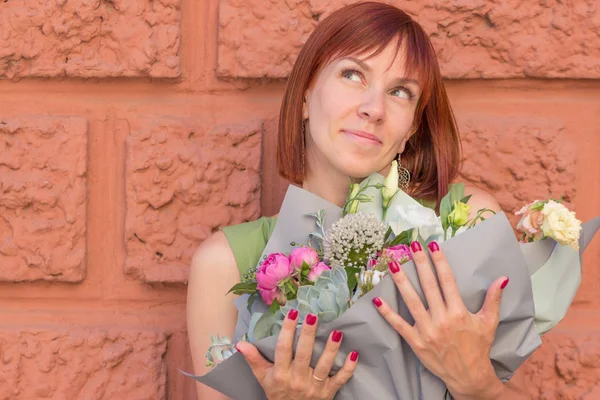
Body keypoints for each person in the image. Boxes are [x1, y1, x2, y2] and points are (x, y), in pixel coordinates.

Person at [187, 2, 530, 399]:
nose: (374, 109)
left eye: (400, 92)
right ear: (305, 94)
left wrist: (479, 385)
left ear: (411, 127)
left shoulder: (465, 222)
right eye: (352, 74)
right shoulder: (225, 264)